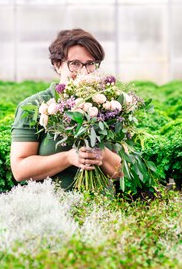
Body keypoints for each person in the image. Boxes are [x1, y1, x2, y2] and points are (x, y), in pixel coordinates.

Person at [10, 28, 123, 190]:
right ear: (58, 65)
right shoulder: (35, 106)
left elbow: (123, 171)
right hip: (52, 209)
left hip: (100, 209)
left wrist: (103, 155)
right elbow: (20, 170)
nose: (84, 71)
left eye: (90, 64)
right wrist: (68, 158)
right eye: (75, 64)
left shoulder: (110, 105)